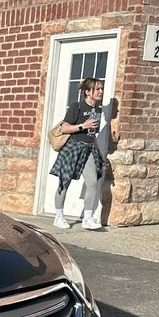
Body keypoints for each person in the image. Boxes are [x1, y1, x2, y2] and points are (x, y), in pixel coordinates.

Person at [49, 77, 106, 230]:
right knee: (64, 181)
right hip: (73, 147)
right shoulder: (77, 107)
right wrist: (83, 125)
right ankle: (59, 216)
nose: (100, 91)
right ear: (88, 92)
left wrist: (99, 154)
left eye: (101, 88)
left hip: (88, 149)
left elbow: (92, 134)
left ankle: (87, 218)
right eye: (97, 89)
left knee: (92, 183)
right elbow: (64, 128)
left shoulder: (98, 110)